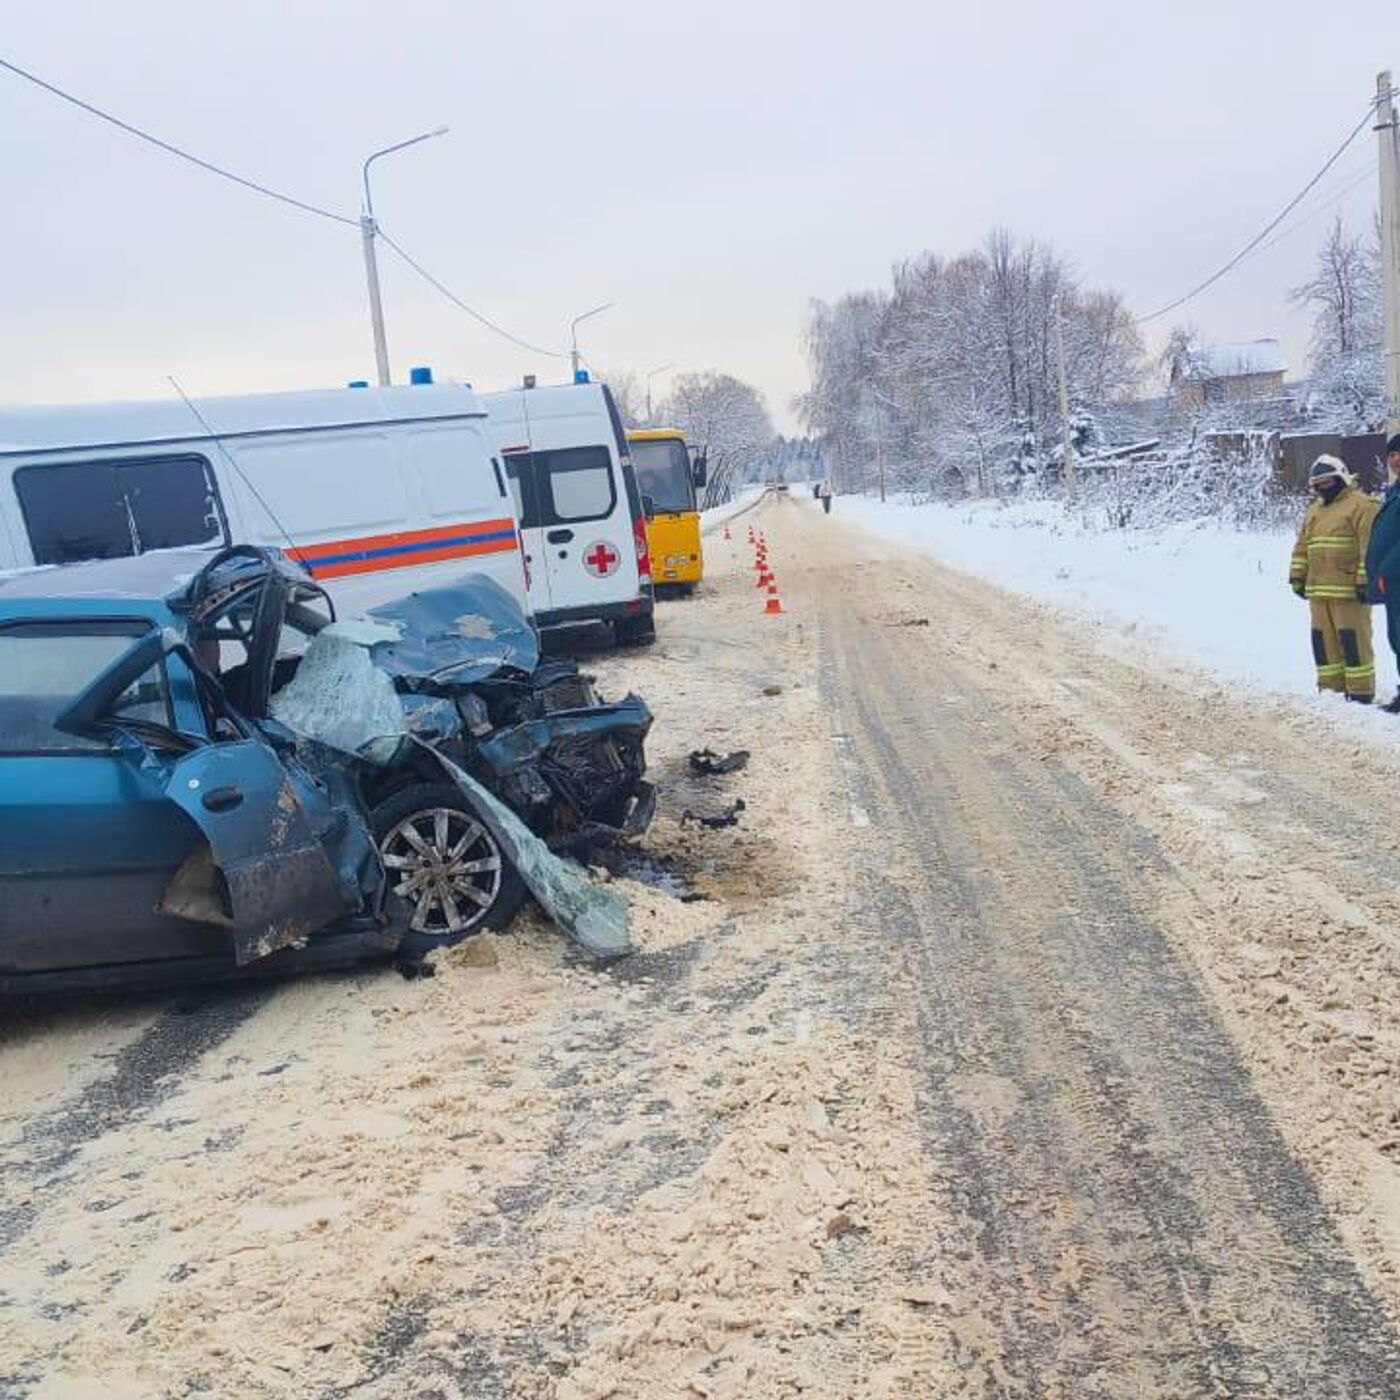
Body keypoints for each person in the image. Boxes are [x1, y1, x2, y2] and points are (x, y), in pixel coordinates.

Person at [1289, 454, 1379, 703]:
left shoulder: (1362, 506)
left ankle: (1361, 693)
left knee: (1354, 644)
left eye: (1327, 482)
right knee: (1322, 644)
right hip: (1318, 594)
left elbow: (1368, 548)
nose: (1322, 488)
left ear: (1341, 478)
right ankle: (1330, 692)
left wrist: (1364, 582)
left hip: (1349, 594)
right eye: (1317, 483)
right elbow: (1302, 546)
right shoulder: (1314, 511)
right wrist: (1297, 576)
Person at [1365, 434, 1400, 712]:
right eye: (1392, 454)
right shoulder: (1395, 491)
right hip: (1393, 583)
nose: (1396, 459)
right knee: (1396, 638)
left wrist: (1384, 569)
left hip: (1395, 577)